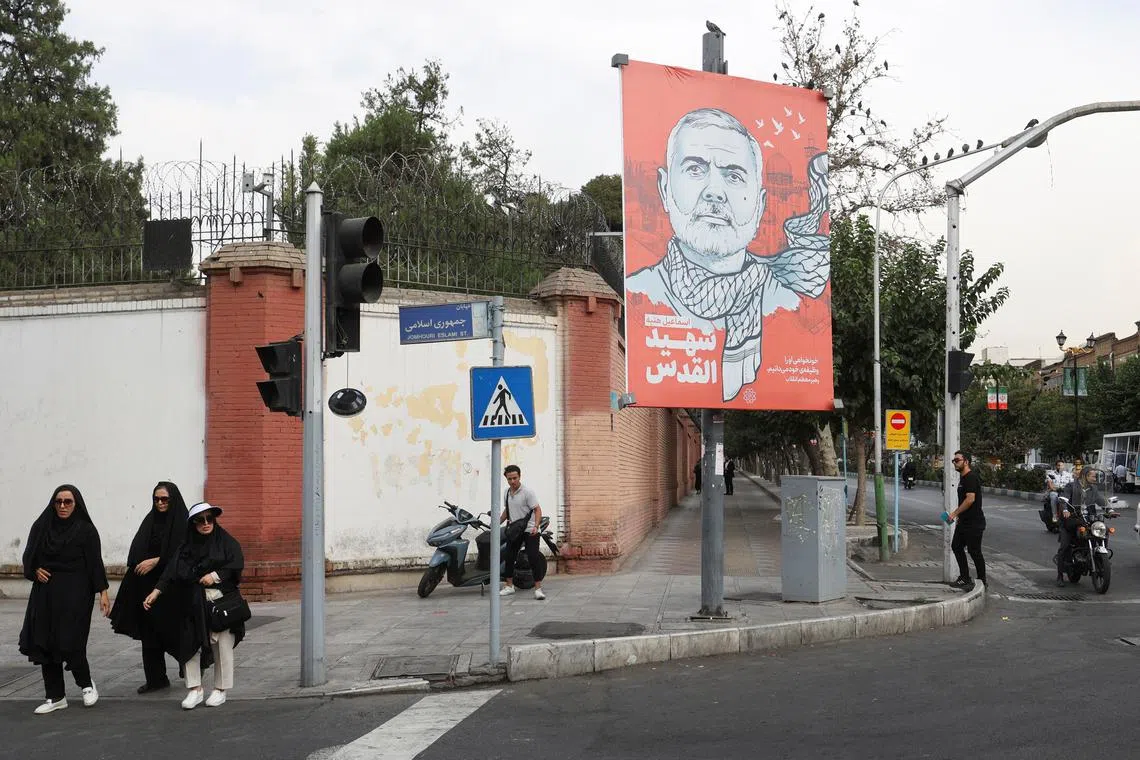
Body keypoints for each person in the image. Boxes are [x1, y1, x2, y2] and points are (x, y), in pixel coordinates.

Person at [625, 107, 830, 402]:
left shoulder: (793, 306)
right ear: (665, 189)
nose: (714, 191)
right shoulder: (637, 297)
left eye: (733, 176)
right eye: (695, 169)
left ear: (760, 206)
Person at [18, 484, 110, 714]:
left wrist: (103, 593)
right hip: (45, 593)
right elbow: (29, 556)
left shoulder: (86, 530)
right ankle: (55, 696)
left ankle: (86, 685)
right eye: (58, 502)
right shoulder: (42, 527)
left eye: (67, 502)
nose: (62, 506)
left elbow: (95, 564)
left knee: (71, 640)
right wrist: (34, 570)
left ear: (76, 504)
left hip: (76, 593)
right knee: (46, 641)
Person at [144, 502, 245, 709]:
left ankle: (220, 689)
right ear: (192, 524)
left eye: (210, 519)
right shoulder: (185, 547)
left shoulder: (225, 541)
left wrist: (215, 576)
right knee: (188, 644)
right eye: (200, 520)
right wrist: (155, 592)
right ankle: (195, 689)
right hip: (191, 602)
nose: (206, 524)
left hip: (219, 601)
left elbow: (235, 564)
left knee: (221, 645)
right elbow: (171, 572)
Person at [109, 481, 190, 693]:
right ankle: (156, 679)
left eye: (165, 499)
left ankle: (189, 666)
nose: (160, 503)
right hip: (146, 585)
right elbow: (136, 549)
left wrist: (157, 560)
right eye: (157, 499)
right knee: (149, 632)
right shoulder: (150, 520)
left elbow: (183, 553)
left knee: (173, 630)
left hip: (172, 586)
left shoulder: (182, 523)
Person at [499, 465, 546, 600]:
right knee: (509, 556)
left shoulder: (527, 492)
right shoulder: (506, 492)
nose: (512, 481)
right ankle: (509, 586)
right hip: (515, 530)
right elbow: (507, 510)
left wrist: (536, 526)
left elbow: (537, 510)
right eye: (509, 479)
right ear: (506, 479)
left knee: (532, 557)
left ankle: (538, 589)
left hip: (530, 529)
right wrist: (497, 522)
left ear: (519, 476)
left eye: (515, 478)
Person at [1056, 466, 1106, 586]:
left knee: (1104, 531)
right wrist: (1065, 510)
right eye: (1093, 476)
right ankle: (1060, 576)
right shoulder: (1071, 486)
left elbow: (1100, 500)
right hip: (1071, 519)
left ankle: (1100, 558)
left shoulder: (1093, 488)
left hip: (1087, 519)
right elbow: (1064, 500)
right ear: (1085, 476)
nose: (1095, 478)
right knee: (1065, 545)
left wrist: (1110, 508)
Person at [946, 451, 985, 589]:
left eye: (957, 460)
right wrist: (959, 517)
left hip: (974, 522)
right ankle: (964, 577)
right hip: (964, 522)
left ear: (966, 461)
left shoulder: (970, 478)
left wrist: (954, 513)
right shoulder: (963, 479)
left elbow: (970, 499)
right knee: (956, 546)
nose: (955, 463)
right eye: (953, 461)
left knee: (975, 552)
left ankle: (982, 581)